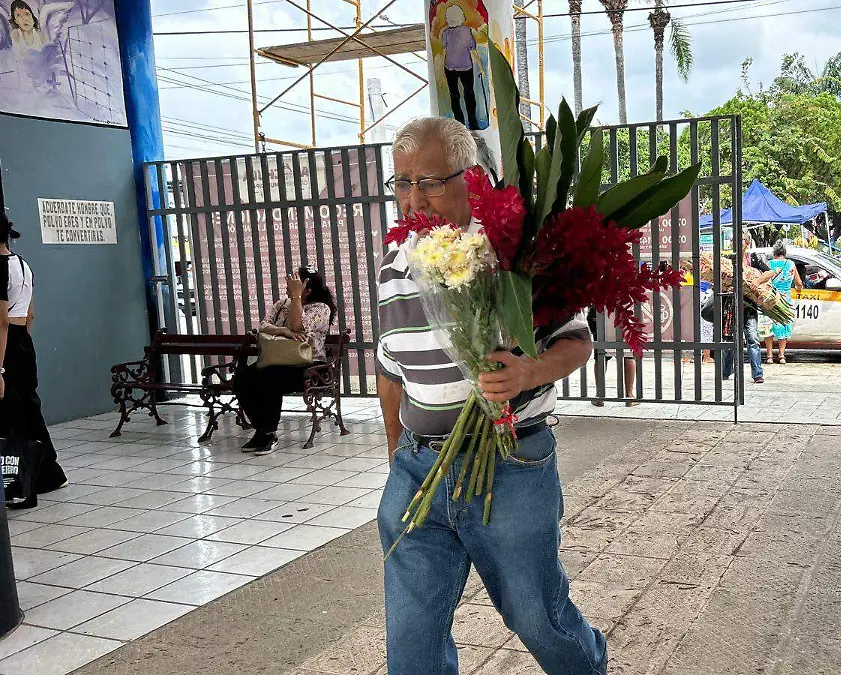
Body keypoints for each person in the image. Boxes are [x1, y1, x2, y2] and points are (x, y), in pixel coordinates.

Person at [375, 116, 605, 675]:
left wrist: (528, 374)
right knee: (412, 636)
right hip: (419, 472)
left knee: (536, 616)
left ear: (470, 176)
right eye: (401, 183)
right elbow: (390, 369)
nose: (412, 200)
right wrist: (397, 455)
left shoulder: (512, 251)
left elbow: (578, 342)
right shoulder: (394, 263)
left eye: (427, 181)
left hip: (510, 465)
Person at [0, 214, 67, 508]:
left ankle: (19, 484)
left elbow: (0, 323)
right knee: (29, 408)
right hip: (23, 342)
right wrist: (24, 345)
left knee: (11, 413)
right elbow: (29, 315)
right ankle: (49, 474)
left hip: (5, 345)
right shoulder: (22, 264)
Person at [234, 267, 335, 455]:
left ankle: (268, 432)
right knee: (243, 378)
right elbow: (264, 326)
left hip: (308, 365)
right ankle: (262, 429)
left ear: (307, 289)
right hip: (277, 360)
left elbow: (299, 326)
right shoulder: (282, 304)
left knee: (270, 379)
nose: (289, 284)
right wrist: (284, 331)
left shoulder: (321, 308)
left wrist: (297, 299)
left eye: (296, 282)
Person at [722, 232, 766, 384]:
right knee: (729, 340)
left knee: (753, 338)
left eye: (739, 240)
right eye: (734, 240)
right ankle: (726, 371)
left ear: (747, 242)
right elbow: (719, 278)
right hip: (731, 306)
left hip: (749, 305)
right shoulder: (728, 260)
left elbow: (770, 272)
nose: (736, 242)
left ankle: (757, 373)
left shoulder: (753, 259)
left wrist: (758, 281)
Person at [439, 5, 481, 130]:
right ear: (461, 17)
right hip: (465, 67)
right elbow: (473, 51)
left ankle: (459, 124)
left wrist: (442, 69)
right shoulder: (467, 31)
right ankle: (473, 123)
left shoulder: (445, 33)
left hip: (449, 67)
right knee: (469, 94)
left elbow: (443, 52)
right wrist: (481, 68)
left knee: (454, 96)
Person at [587, 307, 637, 407]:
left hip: (602, 311)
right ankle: (629, 396)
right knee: (628, 356)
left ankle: (599, 396)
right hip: (625, 311)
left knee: (601, 356)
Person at [763, 241, 802, 365]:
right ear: (784, 252)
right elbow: (799, 283)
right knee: (783, 325)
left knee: (769, 326)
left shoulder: (769, 264)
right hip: (785, 299)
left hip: (770, 299)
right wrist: (799, 289)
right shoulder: (791, 264)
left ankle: (769, 356)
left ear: (774, 252)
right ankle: (781, 355)